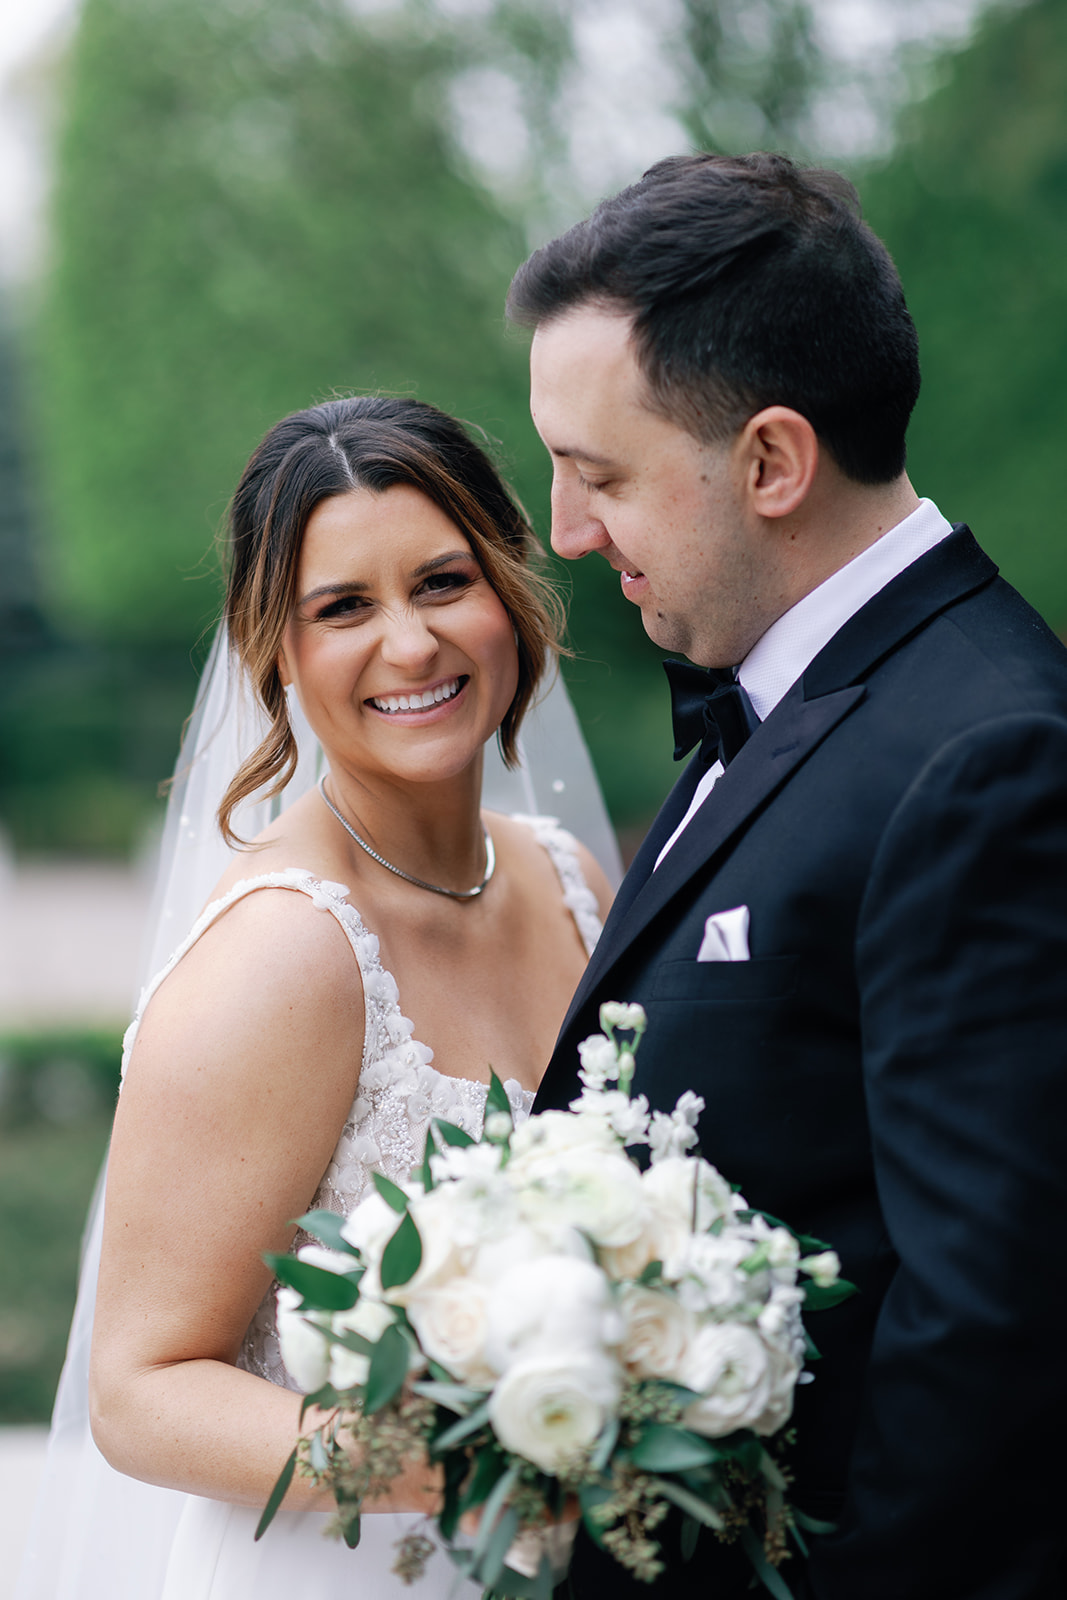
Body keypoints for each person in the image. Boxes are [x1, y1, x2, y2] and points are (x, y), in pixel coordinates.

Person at [510, 152, 1067, 1598]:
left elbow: (992, 1337)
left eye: (598, 475)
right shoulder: (787, 689)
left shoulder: (987, 757)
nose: (567, 532)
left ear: (768, 460)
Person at [16, 395, 617, 1600]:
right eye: (344, 608)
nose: (410, 644)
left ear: (509, 588)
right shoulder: (286, 952)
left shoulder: (566, 879)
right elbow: (137, 1390)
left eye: (442, 581)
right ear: (277, 656)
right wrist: (455, 1461)